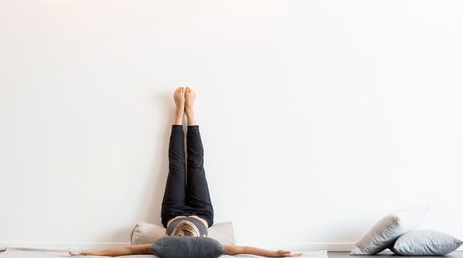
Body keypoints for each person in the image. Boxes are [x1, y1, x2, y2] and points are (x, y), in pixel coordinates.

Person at [70, 87, 301, 257]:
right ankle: (190, 114)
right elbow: (240, 249)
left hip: (172, 211)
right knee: (196, 164)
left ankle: (178, 112)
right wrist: (274, 253)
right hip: (202, 211)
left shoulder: (164, 246)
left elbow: (129, 249)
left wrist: (94, 253)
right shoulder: (207, 247)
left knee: (177, 164)